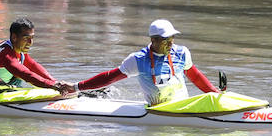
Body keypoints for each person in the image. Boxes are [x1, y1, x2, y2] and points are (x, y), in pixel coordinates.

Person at [75, 19, 218, 105]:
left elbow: (195, 76)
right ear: (153, 40)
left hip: (182, 107)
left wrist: (215, 93)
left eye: (172, 39)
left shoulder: (182, 53)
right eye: (165, 40)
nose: (170, 44)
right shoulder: (138, 60)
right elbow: (110, 77)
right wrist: (77, 87)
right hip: (157, 111)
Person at [0, 19, 76, 93]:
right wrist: (52, 85)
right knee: (23, 77)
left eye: (32, 38)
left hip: (3, 91)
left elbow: (33, 67)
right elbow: (24, 73)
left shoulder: (21, 53)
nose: (30, 42)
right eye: (26, 38)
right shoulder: (4, 54)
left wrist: (56, 83)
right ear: (14, 37)